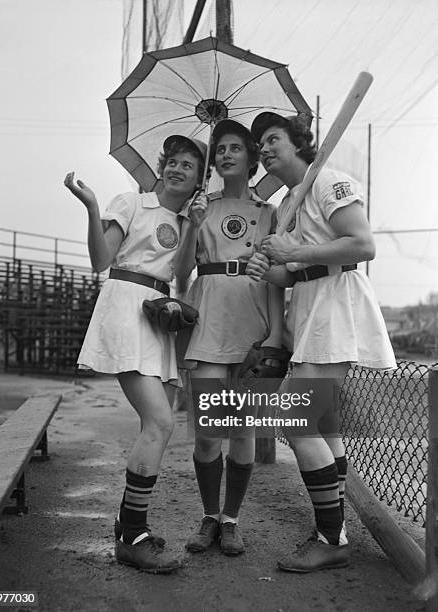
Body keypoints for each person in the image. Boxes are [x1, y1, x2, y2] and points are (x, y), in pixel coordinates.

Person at [246, 112, 396, 572]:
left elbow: (363, 245)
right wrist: (268, 269)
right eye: (261, 145)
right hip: (310, 307)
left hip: (337, 305)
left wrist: (296, 253)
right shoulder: (289, 201)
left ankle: (332, 539)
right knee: (326, 427)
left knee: (295, 421)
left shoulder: (329, 181)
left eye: (273, 139)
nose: (265, 149)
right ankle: (334, 530)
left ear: (298, 143)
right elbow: (291, 272)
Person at [64, 134, 207, 574]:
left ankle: (130, 525)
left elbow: (182, 276)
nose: (177, 169)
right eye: (174, 161)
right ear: (162, 165)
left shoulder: (187, 221)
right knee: (161, 423)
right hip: (126, 308)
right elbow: (100, 259)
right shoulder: (130, 202)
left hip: (159, 317)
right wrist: (91, 207)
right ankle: (131, 536)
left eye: (189, 165)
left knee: (158, 423)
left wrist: (196, 226)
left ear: (199, 181)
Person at [174, 119, 285, 556]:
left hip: (251, 325)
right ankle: (208, 517)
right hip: (207, 322)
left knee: (241, 431)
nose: (225, 154)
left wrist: (275, 333)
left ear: (252, 157)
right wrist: (192, 224)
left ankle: (232, 520)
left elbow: (276, 278)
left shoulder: (271, 212)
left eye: (235, 147)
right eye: (219, 148)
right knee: (207, 432)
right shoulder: (200, 207)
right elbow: (181, 273)